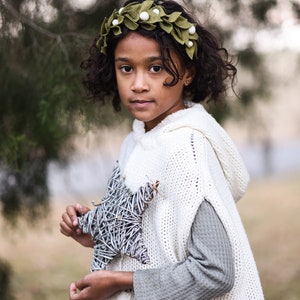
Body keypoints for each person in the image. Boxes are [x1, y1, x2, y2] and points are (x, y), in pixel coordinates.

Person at [60, 0, 264, 299]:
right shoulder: (138, 140)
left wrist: (120, 281)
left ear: (188, 73)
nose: (138, 84)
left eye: (156, 68)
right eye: (126, 68)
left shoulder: (185, 148)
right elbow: (156, 232)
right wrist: (97, 229)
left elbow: (215, 272)